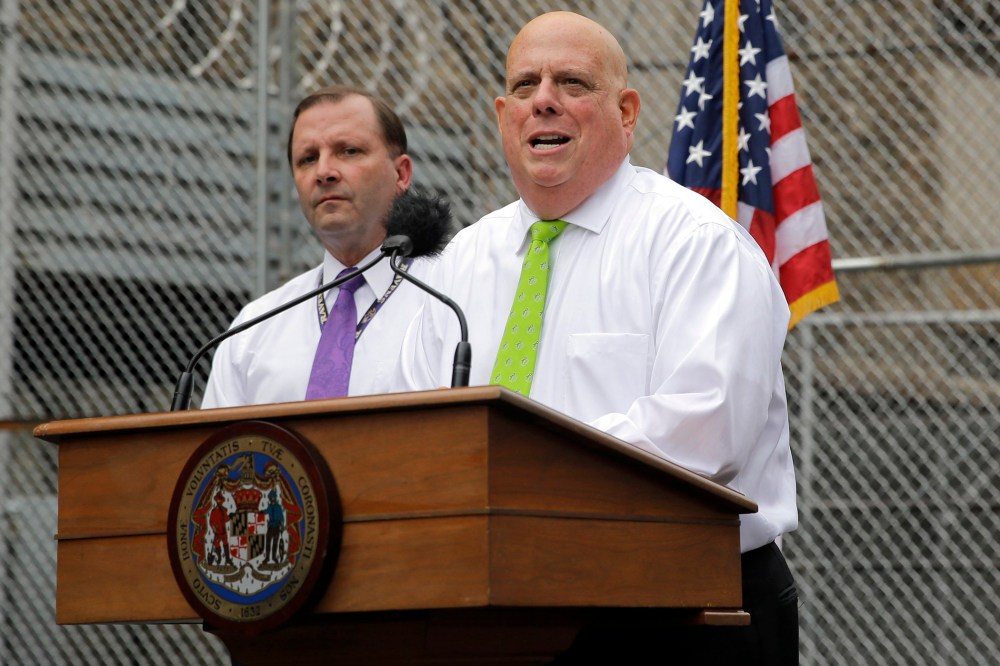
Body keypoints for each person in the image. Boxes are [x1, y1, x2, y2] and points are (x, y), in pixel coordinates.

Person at [397, 11, 798, 664]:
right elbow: (417, 430)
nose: (544, 100)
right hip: (492, 608)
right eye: (525, 86)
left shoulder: (696, 244)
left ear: (627, 111)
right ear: (504, 114)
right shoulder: (460, 261)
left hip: (680, 611)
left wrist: (517, 468)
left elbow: (708, 431)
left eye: (573, 83)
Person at [202, 85, 433, 407]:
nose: (324, 172)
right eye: (308, 159)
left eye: (349, 151)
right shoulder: (253, 330)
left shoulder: (447, 300)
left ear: (401, 174)